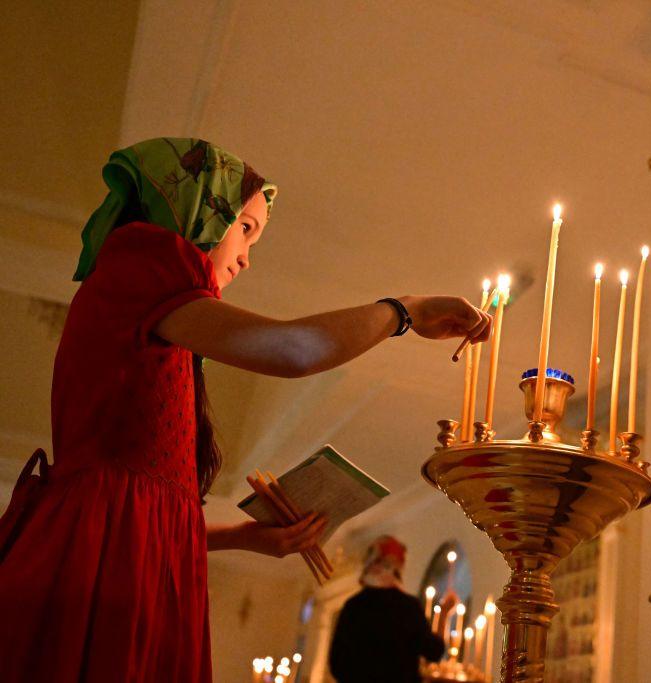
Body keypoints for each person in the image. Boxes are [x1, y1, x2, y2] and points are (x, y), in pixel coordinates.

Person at [0, 138, 490, 681]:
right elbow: (294, 350)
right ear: (198, 209)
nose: (247, 256)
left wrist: (238, 537)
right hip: (100, 570)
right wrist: (405, 311)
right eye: (247, 228)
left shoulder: (148, 300)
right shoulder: (144, 257)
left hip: (118, 558)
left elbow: (137, 507)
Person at [329, 536, 453, 682]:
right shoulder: (408, 608)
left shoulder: (352, 606)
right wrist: (444, 614)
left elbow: (336, 664)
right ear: (399, 568)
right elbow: (434, 652)